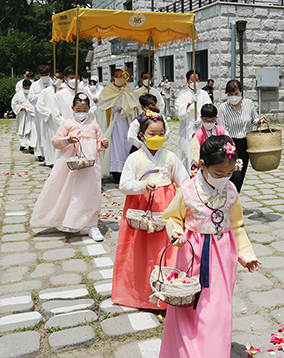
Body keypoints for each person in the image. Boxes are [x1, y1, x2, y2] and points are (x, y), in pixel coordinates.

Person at [159, 135, 260, 358]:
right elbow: (172, 218)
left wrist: (246, 253)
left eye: (229, 173)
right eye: (218, 174)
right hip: (192, 252)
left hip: (223, 255)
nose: (224, 178)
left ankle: (214, 351)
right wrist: (176, 232)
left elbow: (237, 226)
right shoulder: (187, 189)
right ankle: (187, 351)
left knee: (218, 308)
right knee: (189, 303)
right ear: (202, 165)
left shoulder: (231, 190)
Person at [112, 112, 189, 310]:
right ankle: (139, 294)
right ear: (142, 135)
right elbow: (124, 184)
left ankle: (166, 294)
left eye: (161, 133)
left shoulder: (170, 157)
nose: (157, 137)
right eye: (152, 133)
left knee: (165, 250)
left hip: (166, 208)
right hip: (141, 209)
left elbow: (185, 181)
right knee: (138, 251)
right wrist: (141, 186)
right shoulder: (134, 158)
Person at [30, 93, 108, 241]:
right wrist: (67, 140)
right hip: (71, 167)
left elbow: (99, 142)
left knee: (92, 193)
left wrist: (103, 145)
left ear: (89, 108)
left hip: (91, 166)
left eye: (84, 109)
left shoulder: (94, 124)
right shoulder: (67, 123)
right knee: (71, 192)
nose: (81, 112)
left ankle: (92, 224)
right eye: (78, 109)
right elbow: (55, 141)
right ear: (72, 108)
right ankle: (71, 220)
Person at [218, 79, 266, 193]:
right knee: (234, 174)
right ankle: (229, 196)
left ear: (241, 93)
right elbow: (222, 127)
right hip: (231, 143)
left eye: (236, 94)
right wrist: (229, 140)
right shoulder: (223, 108)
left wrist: (259, 120)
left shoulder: (248, 104)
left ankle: (234, 198)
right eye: (230, 94)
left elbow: (254, 119)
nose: (233, 97)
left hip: (247, 142)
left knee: (242, 173)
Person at [97, 68, 140, 183]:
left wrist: (128, 109)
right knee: (115, 147)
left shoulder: (128, 90)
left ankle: (129, 170)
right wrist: (113, 109)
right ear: (112, 78)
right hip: (114, 123)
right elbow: (102, 107)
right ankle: (116, 172)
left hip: (126, 122)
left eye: (122, 76)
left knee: (127, 145)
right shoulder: (107, 91)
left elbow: (136, 107)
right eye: (118, 76)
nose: (120, 78)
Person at [175, 70, 211, 174]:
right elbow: (179, 113)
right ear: (187, 80)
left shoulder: (203, 94)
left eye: (197, 79)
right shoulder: (182, 95)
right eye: (192, 80)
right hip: (187, 130)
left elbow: (210, 108)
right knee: (187, 154)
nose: (195, 82)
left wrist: (202, 117)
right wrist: (189, 103)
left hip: (201, 127)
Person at [190, 103, 224, 177]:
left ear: (216, 118)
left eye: (211, 121)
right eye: (206, 120)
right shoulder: (198, 135)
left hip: (220, 165)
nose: (209, 123)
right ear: (201, 118)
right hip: (205, 167)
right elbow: (195, 153)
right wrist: (194, 168)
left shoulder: (221, 131)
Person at [28, 65, 53, 162]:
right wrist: (43, 94)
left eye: (46, 74)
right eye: (42, 75)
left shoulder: (54, 83)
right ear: (39, 74)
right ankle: (42, 153)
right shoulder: (35, 85)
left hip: (52, 111)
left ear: (49, 73)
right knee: (41, 132)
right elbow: (31, 98)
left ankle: (52, 155)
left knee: (52, 132)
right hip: (40, 112)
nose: (44, 76)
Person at [36, 76, 61, 167]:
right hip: (49, 120)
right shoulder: (45, 92)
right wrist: (50, 113)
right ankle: (50, 160)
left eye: (60, 77)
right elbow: (40, 106)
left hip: (62, 120)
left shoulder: (64, 91)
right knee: (49, 140)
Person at [11, 79, 37, 153]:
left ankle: (31, 146)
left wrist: (30, 109)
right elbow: (14, 104)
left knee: (32, 131)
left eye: (28, 88)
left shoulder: (33, 94)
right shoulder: (18, 95)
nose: (27, 90)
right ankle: (23, 144)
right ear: (22, 87)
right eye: (25, 88)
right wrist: (21, 108)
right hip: (22, 116)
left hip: (31, 116)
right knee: (22, 130)